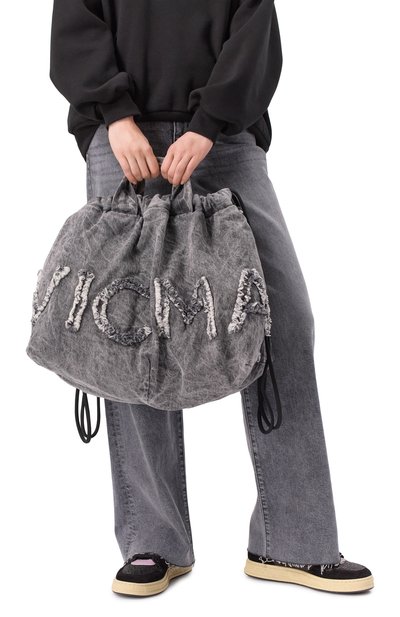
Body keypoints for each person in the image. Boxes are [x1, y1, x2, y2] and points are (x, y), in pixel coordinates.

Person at [49, 0, 374, 596]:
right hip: (123, 139)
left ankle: (294, 540)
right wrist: (114, 114)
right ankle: (153, 541)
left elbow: (255, 28)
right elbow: (76, 20)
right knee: (130, 330)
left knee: (281, 319)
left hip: (225, 139)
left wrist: (209, 121)